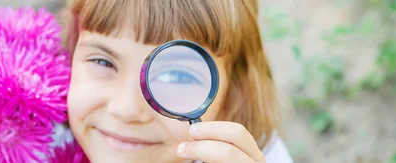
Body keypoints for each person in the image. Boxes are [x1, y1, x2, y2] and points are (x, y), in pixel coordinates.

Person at [54, 0, 294, 162]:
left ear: (234, 92)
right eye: (103, 62)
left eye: (176, 76)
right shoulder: (34, 136)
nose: (126, 110)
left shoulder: (261, 154)